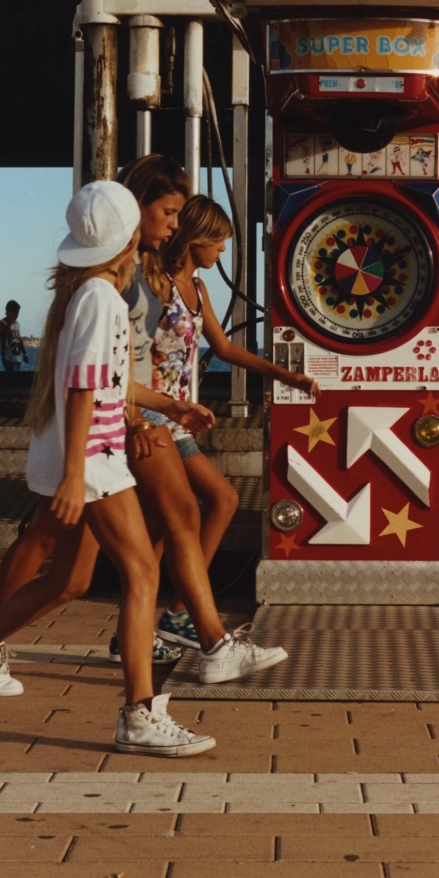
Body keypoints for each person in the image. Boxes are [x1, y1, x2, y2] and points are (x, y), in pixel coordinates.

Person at [0, 180, 213, 757]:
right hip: (97, 459)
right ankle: (137, 714)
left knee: (71, 580)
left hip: (91, 456)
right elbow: (84, 389)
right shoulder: (103, 299)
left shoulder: (88, 293)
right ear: (130, 235)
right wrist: (79, 475)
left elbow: (106, 381)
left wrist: (170, 405)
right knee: (140, 573)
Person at [139, 192, 319, 651]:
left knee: (210, 506)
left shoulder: (197, 289)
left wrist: (283, 375)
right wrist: (139, 415)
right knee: (189, 514)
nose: (222, 252)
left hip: (176, 421)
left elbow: (222, 347)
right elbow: (130, 356)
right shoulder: (153, 283)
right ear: (195, 238)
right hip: (150, 418)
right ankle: (156, 625)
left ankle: (170, 616)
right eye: (218, 242)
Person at [0, 300, 29, 371]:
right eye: (16, 313)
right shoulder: (2, 323)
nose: (17, 315)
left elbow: (19, 339)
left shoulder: (17, 323)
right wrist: (10, 322)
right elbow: (3, 337)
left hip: (17, 357)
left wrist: (25, 353)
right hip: (8, 357)